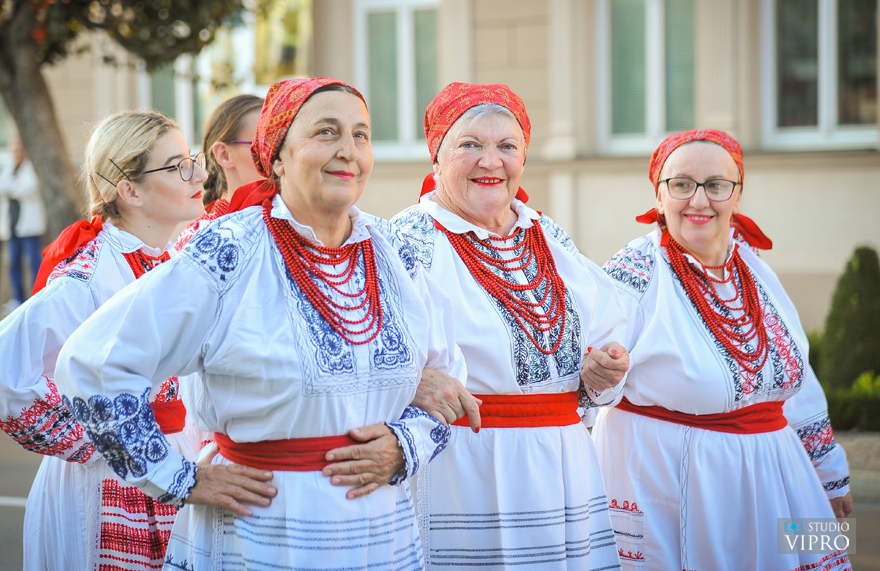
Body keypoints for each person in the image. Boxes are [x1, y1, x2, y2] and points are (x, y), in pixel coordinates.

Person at [53, 77, 467, 570]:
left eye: (361, 135)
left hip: (379, 534)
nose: (348, 151)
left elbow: (450, 379)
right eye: (326, 133)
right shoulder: (226, 251)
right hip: (260, 531)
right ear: (276, 157)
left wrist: (405, 447)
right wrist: (177, 478)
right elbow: (92, 364)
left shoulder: (394, 251)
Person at [391, 82, 629, 570]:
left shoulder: (546, 233)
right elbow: (372, 353)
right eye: (470, 145)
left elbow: (603, 326)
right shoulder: (407, 240)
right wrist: (413, 381)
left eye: (506, 146)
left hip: (564, 464)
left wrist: (601, 371)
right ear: (437, 156)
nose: (490, 161)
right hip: (468, 468)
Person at [0, 110, 211, 571]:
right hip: (103, 490)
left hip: (168, 469)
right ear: (130, 191)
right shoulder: (88, 277)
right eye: (178, 165)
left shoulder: (169, 259)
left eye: (192, 159)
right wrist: (100, 435)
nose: (198, 174)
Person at [594, 129, 853, 570]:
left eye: (716, 185)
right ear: (658, 196)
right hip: (675, 480)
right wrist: (600, 371)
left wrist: (831, 475)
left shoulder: (753, 265)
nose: (698, 200)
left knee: (816, 552)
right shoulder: (633, 270)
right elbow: (591, 372)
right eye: (681, 185)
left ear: (737, 195)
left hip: (782, 472)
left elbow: (799, 376)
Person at [175, 94, 264, 249]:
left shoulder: (295, 223)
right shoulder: (199, 241)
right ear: (224, 155)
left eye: (281, 142)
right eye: (263, 144)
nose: (276, 154)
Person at [0, 137, 47, 311]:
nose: (17, 154)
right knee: (14, 264)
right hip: (11, 227)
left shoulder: (32, 169)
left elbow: (28, 188)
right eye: (14, 151)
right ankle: (18, 299)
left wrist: (8, 188)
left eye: (20, 150)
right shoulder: (6, 168)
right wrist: (13, 186)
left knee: (34, 263)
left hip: (29, 227)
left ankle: (37, 298)